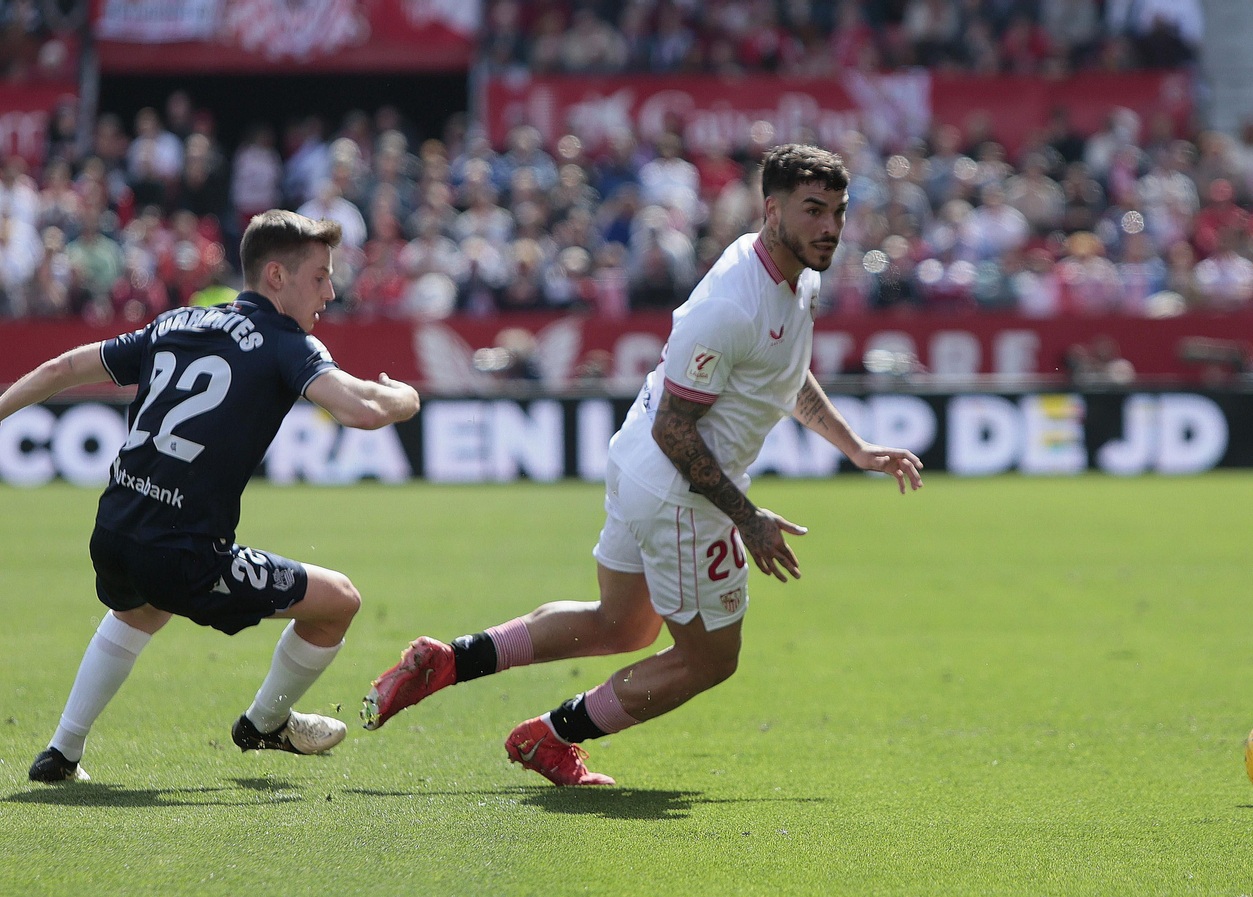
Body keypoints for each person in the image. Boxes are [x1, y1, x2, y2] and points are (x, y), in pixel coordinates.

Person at [360, 144, 924, 786]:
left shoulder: (800, 272)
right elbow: (677, 429)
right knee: (711, 657)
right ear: (772, 210)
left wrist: (854, 447)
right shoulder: (731, 304)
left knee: (621, 623)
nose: (830, 227)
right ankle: (551, 736)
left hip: (639, 463)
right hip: (681, 487)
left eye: (839, 211)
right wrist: (748, 518)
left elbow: (783, 375)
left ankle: (448, 660)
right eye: (814, 210)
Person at [0, 210, 421, 783]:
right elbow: (362, 408)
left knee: (141, 608)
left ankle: (61, 752)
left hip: (115, 529)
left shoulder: (178, 320)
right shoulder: (284, 341)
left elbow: (67, 365)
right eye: (320, 276)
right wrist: (407, 399)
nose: (331, 290)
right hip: (185, 552)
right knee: (340, 601)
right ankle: (265, 723)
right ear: (276, 276)